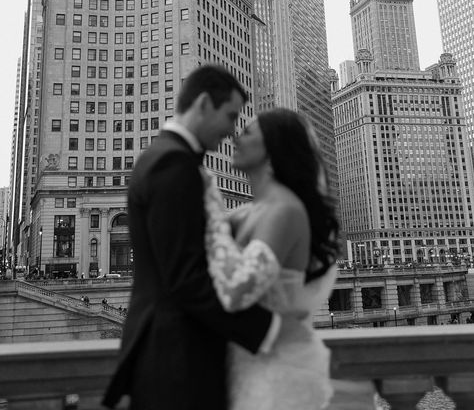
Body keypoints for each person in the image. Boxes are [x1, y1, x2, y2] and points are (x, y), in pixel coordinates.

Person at [103, 65, 276, 410]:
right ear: (202, 104)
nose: (232, 131)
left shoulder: (162, 158)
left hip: (171, 356)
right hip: (177, 363)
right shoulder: (173, 165)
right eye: (230, 115)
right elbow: (185, 277)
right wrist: (264, 328)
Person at [203, 108, 339, 410]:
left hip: (280, 380)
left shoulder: (285, 211)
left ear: (272, 149)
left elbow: (238, 290)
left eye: (248, 132)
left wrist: (211, 203)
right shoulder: (251, 212)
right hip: (248, 369)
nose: (235, 138)